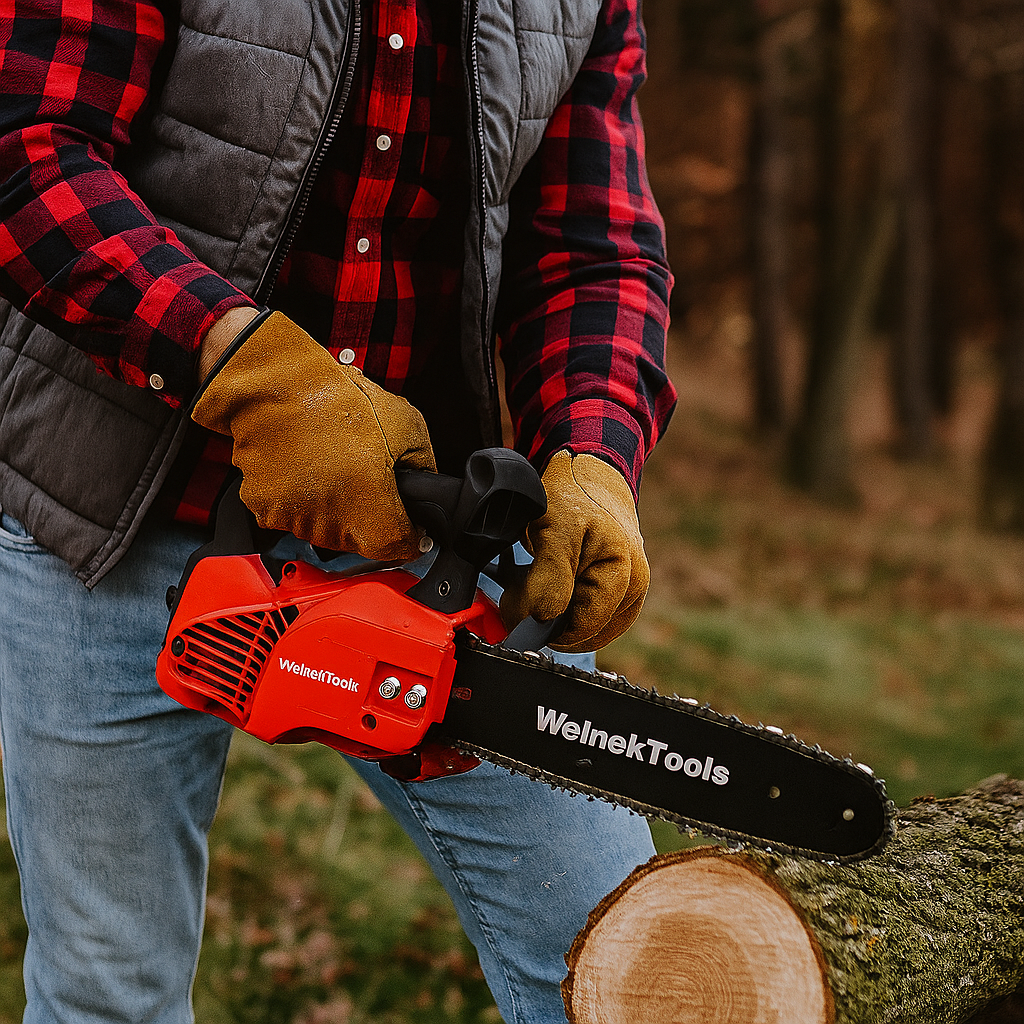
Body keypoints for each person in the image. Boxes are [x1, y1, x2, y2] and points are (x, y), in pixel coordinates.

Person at [0, 0, 677, 1020]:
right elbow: (28, 153)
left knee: (629, 963)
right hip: (111, 503)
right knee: (110, 990)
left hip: (422, 528)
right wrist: (249, 369)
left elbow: (594, 247)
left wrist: (593, 451)